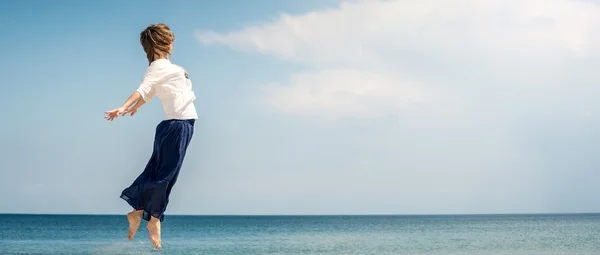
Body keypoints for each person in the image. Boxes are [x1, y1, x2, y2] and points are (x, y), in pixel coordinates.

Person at [104, 23, 198, 250]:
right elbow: (143, 88)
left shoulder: (168, 68)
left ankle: (138, 213)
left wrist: (136, 107)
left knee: (161, 173)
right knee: (165, 175)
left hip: (180, 125)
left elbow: (152, 92)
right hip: (177, 125)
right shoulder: (157, 67)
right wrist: (124, 106)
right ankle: (153, 219)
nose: (173, 42)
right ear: (160, 42)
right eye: (170, 38)